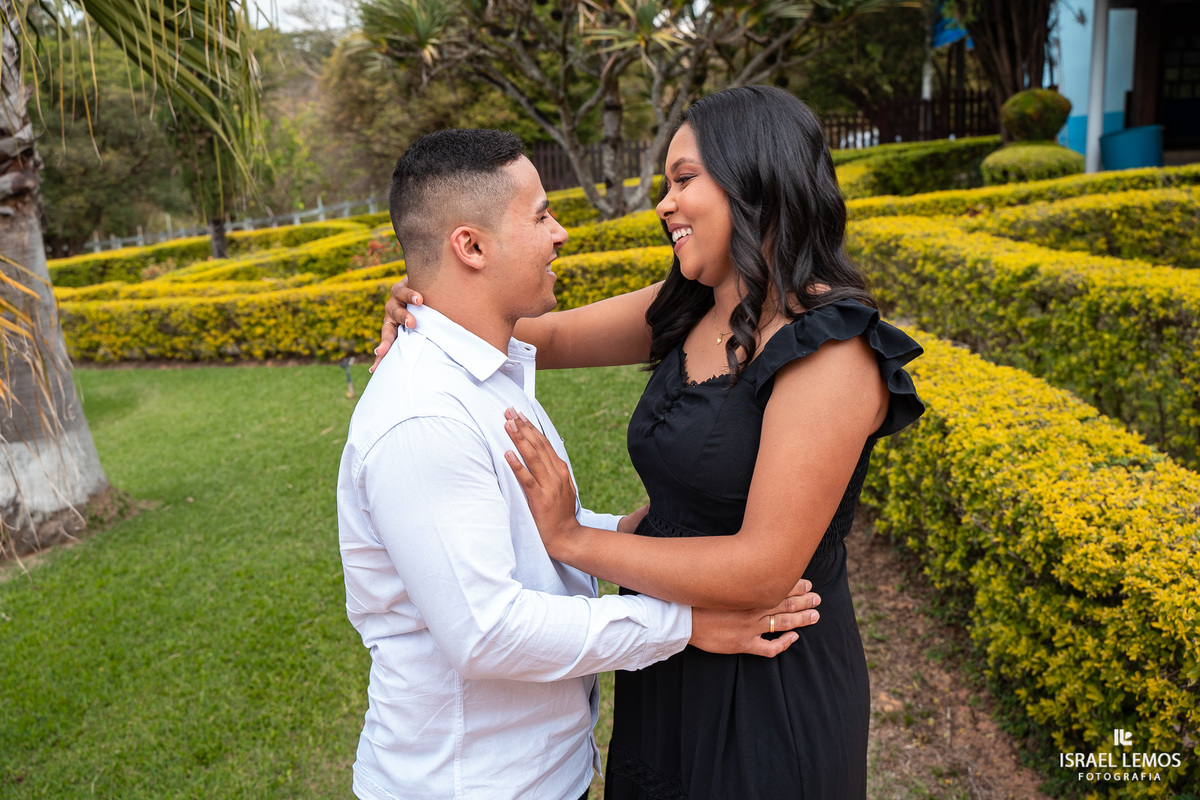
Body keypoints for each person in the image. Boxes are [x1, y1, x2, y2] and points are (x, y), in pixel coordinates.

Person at [374, 87, 925, 799]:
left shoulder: (829, 351)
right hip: (669, 645)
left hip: (766, 667)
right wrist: (428, 299)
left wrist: (574, 539)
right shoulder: (696, 302)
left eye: (684, 179)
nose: (664, 204)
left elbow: (762, 568)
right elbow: (547, 332)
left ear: (755, 180)